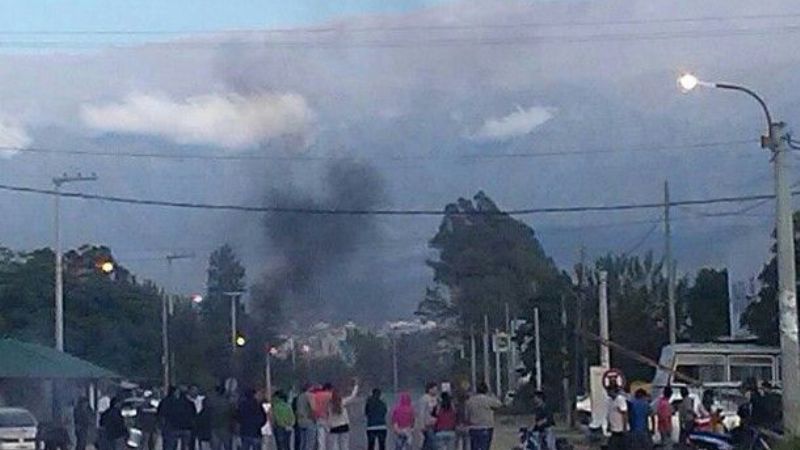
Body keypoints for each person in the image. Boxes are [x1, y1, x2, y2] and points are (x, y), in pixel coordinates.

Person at [464, 382, 502, 450]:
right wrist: (492, 394)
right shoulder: (488, 399)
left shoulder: (470, 401)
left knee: (474, 447)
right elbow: (499, 404)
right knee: (485, 447)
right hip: (486, 427)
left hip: (473, 428)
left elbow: (466, 415)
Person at [326, 382, 359, 450]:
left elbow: (328, 417)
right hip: (344, 426)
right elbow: (352, 396)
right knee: (344, 445)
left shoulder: (329, 405)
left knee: (334, 445)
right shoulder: (342, 402)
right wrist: (356, 386)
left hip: (334, 427)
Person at [205, 385, 234, 450]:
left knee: (215, 447)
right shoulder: (228, 402)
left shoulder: (212, 401)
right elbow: (233, 414)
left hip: (214, 427)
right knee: (227, 446)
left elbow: (207, 410)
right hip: (225, 427)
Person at [605, 383, 628, 450]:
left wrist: (624, 427)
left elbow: (625, 414)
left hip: (620, 429)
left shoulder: (620, 399)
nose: (607, 393)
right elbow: (609, 413)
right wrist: (608, 425)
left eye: (609, 391)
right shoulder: (609, 400)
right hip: (613, 428)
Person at [418, 383, 439, 450]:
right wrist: (422, 425)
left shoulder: (436, 399)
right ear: (430, 389)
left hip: (435, 425)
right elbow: (421, 412)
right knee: (433, 443)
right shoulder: (424, 399)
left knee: (427, 443)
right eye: (434, 389)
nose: (436, 391)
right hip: (427, 425)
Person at [313, 384, 334, 450]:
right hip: (328, 419)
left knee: (320, 439)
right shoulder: (330, 395)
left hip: (318, 418)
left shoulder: (315, 396)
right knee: (331, 439)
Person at [295, 384, 316, 450]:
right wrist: (314, 419)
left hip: (300, 421)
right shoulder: (310, 395)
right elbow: (313, 408)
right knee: (310, 443)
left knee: (303, 442)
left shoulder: (299, 397)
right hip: (308, 421)